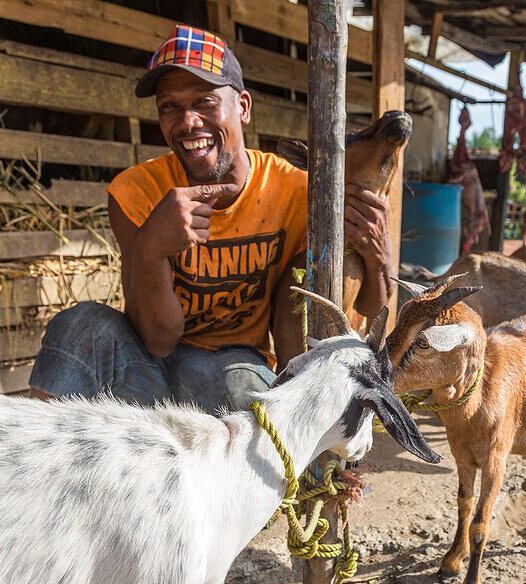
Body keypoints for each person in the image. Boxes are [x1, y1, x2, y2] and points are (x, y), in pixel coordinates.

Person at [28, 25, 395, 410]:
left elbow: (369, 308)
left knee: (239, 386)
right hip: (144, 368)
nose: (187, 122)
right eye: (169, 106)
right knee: (80, 325)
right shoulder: (135, 193)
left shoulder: (296, 193)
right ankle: (34, 461)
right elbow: (157, 340)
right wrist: (152, 247)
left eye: (204, 101)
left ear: (243, 107)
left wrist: (379, 254)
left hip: (233, 365)